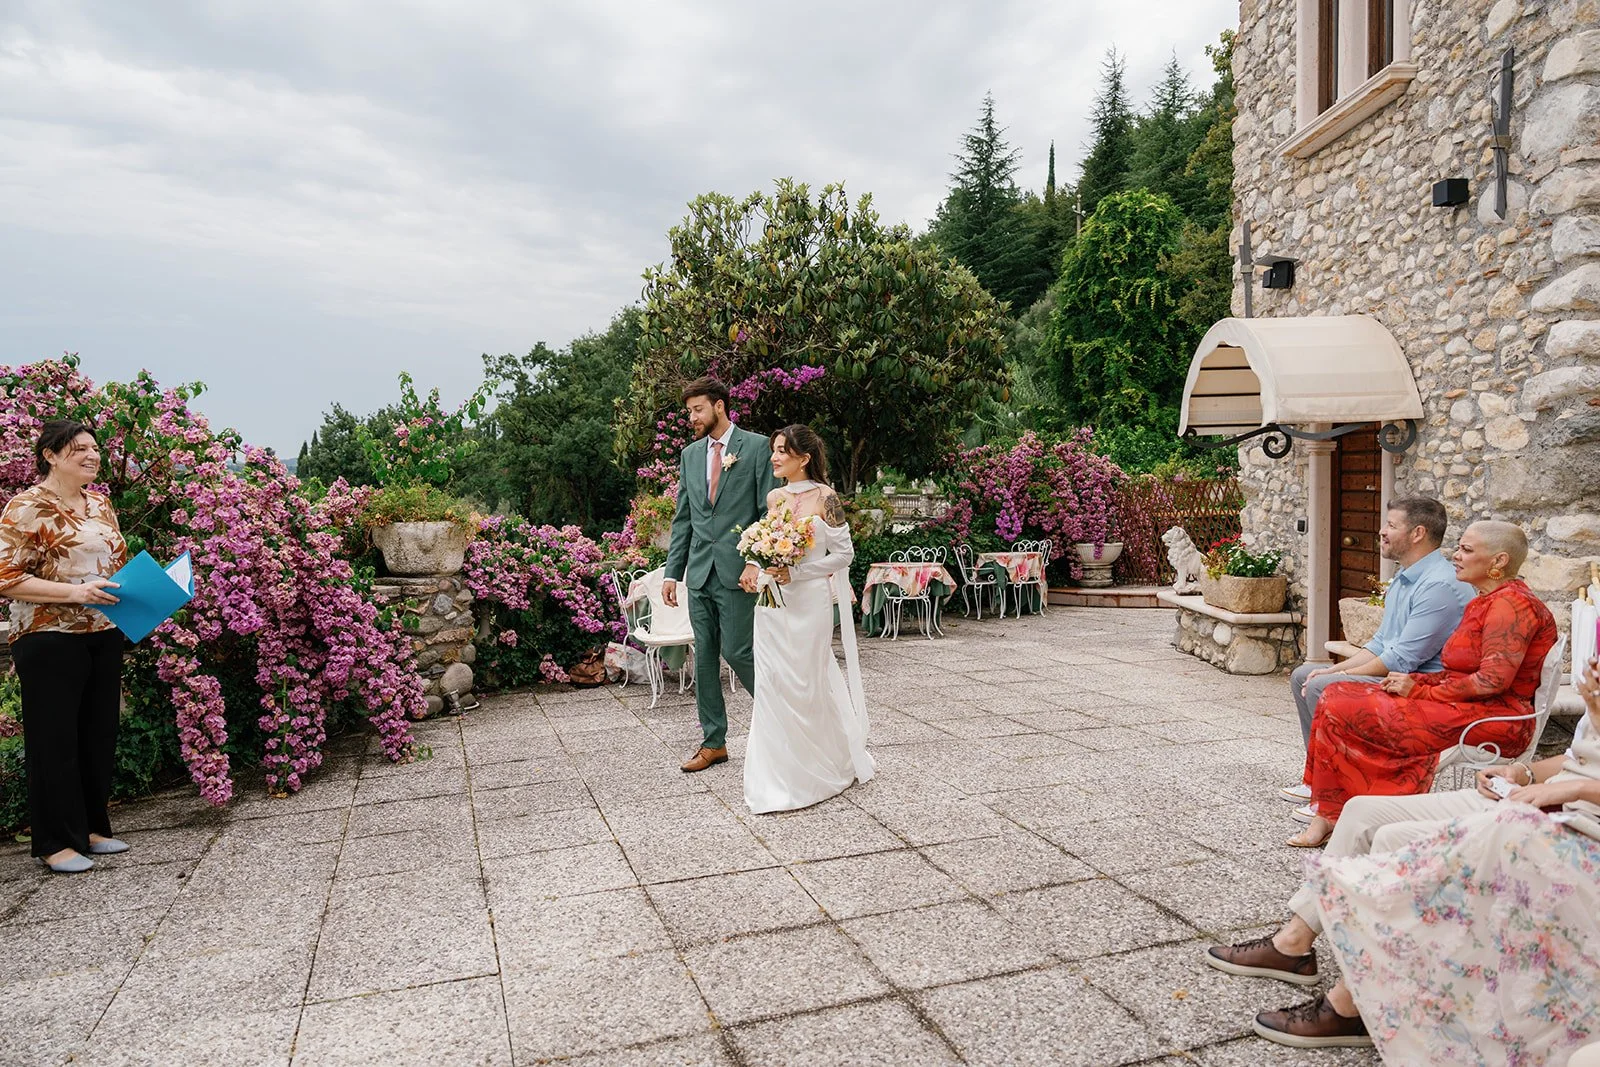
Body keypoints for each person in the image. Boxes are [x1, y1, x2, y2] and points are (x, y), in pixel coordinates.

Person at [1204, 657, 1600, 1057]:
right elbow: (1579, 759)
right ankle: (1296, 944)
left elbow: (1481, 681)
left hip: (1568, 815)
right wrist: (1523, 772)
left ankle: (1352, 1003)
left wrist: (1572, 791)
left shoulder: (1509, 608)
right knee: (1364, 812)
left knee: (1391, 812)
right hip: (1536, 796)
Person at [1286, 519, 1557, 847]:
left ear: (1499, 561)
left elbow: (1492, 681)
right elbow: (1462, 673)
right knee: (1337, 692)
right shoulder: (1486, 600)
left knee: (1343, 703)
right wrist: (1417, 681)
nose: (1455, 555)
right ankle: (1331, 811)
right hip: (1465, 704)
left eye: (1467, 550)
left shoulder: (1512, 605)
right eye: (1459, 547)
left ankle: (1347, 812)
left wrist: (1421, 689)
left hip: (1494, 718)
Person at [1280, 498, 1472, 818]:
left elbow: (1402, 658)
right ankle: (1319, 780)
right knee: (1305, 674)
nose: (1381, 531)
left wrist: (1332, 680)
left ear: (1417, 533)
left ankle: (1338, 795)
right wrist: (1332, 669)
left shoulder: (1439, 584)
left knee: (1321, 687)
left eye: (1391, 525)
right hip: (1396, 672)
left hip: (1420, 688)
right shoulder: (1404, 577)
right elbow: (1381, 642)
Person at [0, 421, 130, 874]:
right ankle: (55, 842)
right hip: (47, 635)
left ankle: (92, 829)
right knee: (54, 740)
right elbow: (7, 577)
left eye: (95, 449)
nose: (92, 456)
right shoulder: (25, 507)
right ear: (50, 455)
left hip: (102, 630)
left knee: (97, 733)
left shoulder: (100, 503)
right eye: (79, 449)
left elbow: (115, 565)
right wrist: (74, 593)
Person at [742, 425, 874, 813]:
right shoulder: (775, 497)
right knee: (773, 682)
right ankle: (774, 775)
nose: (774, 457)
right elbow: (766, 545)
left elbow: (843, 556)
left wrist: (798, 573)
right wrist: (754, 563)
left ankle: (821, 763)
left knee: (807, 680)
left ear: (805, 458)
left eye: (782, 451)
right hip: (773, 603)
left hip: (810, 602)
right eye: (773, 450)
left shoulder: (827, 497)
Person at [662, 378, 780, 773]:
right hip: (699, 573)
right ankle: (714, 743)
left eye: (698, 410)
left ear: (720, 405)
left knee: (738, 650)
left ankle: (783, 721)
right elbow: (684, 519)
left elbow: (768, 511)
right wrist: (671, 573)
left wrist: (755, 561)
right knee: (706, 659)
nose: (691, 418)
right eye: (689, 411)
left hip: (738, 571)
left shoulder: (758, 446)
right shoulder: (690, 455)